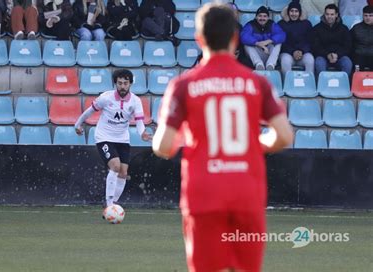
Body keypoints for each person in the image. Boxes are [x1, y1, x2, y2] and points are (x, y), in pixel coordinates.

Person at [152, 3, 293, 272]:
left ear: (199, 38)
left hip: (203, 193)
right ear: (235, 38)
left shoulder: (183, 85)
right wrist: (253, 145)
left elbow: (163, 146)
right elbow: (284, 136)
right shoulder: (257, 83)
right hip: (247, 192)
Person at [74, 69, 152, 209]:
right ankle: (109, 204)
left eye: (125, 83)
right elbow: (89, 111)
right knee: (115, 166)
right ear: (115, 83)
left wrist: (142, 133)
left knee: (123, 172)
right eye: (120, 83)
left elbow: (139, 121)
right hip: (104, 137)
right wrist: (78, 124)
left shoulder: (135, 101)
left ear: (130, 84)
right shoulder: (106, 97)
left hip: (122, 139)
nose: (122, 86)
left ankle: (112, 204)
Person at [312, 4, 353, 77]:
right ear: (324, 14)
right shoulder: (317, 28)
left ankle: (343, 86)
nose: (329, 17)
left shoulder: (344, 29)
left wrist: (337, 54)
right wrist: (327, 55)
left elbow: (348, 46)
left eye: (332, 14)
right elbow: (315, 46)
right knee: (319, 63)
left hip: (339, 56)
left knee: (347, 63)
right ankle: (322, 86)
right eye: (327, 14)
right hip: (323, 56)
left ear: (336, 15)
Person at [241, 6, 286, 70]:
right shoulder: (251, 24)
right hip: (257, 54)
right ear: (256, 17)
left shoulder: (272, 24)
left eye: (265, 16)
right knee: (247, 45)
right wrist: (257, 43)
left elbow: (282, 35)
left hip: (268, 53)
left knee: (278, 43)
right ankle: (258, 64)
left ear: (268, 17)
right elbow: (244, 36)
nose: (262, 18)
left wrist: (268, 41)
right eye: (260, 16)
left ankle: (270, 65)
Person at [278, 1, 315, 76]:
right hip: (287, 53)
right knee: (285, 61)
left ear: (300, 13)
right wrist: (292, 51)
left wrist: (302, 51)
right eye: (291, 11)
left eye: (296, 11)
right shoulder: (281, 24)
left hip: (303, 53)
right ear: (288, 12)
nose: (294, 14)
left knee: (310, 60)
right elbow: (281, 42)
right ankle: (287, 84)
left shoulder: (307, 24)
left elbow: (310, 41)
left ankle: (308, 83)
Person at [350, 5, 373, 71]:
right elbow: (349, 42)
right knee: (356, 70)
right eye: (366, 15)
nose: (368, 18)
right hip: (359, 55)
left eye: (371, 15)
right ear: (362, 16)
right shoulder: (356, 28)